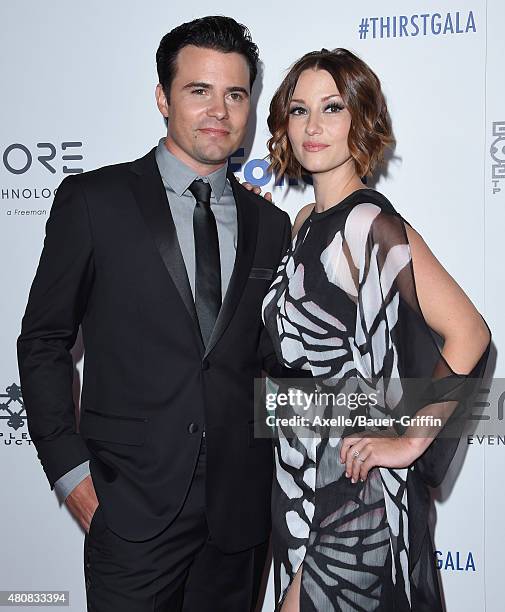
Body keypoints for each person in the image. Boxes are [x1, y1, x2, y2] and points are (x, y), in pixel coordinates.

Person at [17, 16, 291, 612]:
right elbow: (43, 341)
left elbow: (270, 365)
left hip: (239, 520)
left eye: (235, 94)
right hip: (129, 512)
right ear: (163, 97)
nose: (219, 110)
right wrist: (73, 477)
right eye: (199, 91)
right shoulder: (94, 202)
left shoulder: (271, 226)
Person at [261, 48, 491, 611]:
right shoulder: (303, 222)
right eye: (299, 110)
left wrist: (410, 439)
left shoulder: (370, 223)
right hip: (297, 474)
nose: (312, 126)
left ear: (360, 118)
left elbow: (469, 332)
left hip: (351, 484)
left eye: (332, 108)